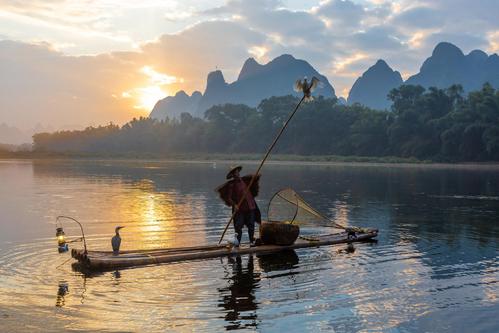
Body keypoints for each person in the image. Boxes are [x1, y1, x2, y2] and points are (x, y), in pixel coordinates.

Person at [216, 166, 261, 246]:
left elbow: (253, 180)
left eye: (237, 172)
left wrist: (255, 177)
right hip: (240, 209)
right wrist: (235, 205)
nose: (237, 174)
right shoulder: (232, 185)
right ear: (233, 175)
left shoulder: (245, 181)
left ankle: (251, 242)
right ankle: (237, 243)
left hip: (250, 206)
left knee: (251, 225)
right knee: (238, 226)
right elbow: (229, 198)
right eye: (235, 173)